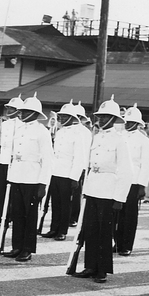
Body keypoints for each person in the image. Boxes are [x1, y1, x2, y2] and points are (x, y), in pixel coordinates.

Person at [69, 95, 132, 283]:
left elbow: (126, 171)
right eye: (100, 116)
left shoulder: (120, 140)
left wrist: (120, 197)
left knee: (104, 233)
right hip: (93, 187)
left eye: (106, 116)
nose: (101, 119)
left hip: (108, 189)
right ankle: (90, 265)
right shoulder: (96, 137)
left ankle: (102, 270)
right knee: (90, 229)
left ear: (113, 119)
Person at [2, 95, 53, 261]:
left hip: (33, 178)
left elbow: (47, 159)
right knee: (17, 213)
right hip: (17, 175)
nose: (21, 114)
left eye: (25, 111)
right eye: (21, 111)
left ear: (34, 113)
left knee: (29, 215)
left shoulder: (42, 132)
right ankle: (17, 246)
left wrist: (43, 183)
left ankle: (27, 249)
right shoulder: (20, 129)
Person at [42, 101, 89, 241]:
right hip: (56, 171)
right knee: (55, 202)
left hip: (68, 174)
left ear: (72, 117)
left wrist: (74, 177)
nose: (61, 118)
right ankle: (53, 228)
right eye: (60, 115)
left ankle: (62, 230)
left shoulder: (78, 134)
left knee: (65, 204)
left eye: (64, 116)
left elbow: (79, 158)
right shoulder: (60, 131)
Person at [114, 104, 149, 255]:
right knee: (116, 214)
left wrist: (142, 185)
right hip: (119, 179)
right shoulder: (119, 136)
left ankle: (126, 245)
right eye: (126, 121)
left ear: (138, 124)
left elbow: (147, 164)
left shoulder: (143, 140)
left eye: (131, 122)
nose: (128, 124)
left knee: (129, 215)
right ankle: (116, 242)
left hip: (134, 181)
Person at [0, 96, 23, 225]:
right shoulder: (5, 124)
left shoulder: (22, 125)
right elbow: (1, 145)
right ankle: (1, 215)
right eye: (8, 107)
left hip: (14, 162)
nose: (8, 110)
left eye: (12, 108)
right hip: (3, 160)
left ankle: (11, 215)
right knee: (1, 189)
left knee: (13, 190)